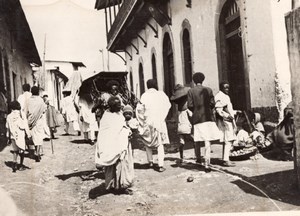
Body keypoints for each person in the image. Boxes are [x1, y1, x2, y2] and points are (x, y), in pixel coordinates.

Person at [95, 96, 134, 195]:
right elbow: (105, 133)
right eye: (117, 105)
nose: (120, 107)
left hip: (121, 145)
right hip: (111, 146)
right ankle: (111, 186)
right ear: (111, 106)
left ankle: (123, 186)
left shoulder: (120, 114)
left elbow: (123, 126)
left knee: (123, 165)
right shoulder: (107, 117)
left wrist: (127, 132)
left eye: (120, 104)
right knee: (111, 167)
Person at [187, 73, 221, 172]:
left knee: (197, 139)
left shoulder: (191, 91)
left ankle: (198, 159)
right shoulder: (209, 90)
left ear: (193, 81)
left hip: (197, 118)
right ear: (203, 80)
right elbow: (212, 103)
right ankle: (207, 163)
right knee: (207, 141)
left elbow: (190, 105)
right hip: (208, 117)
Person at [137, 79, 171, 172]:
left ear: (147, 86)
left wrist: (142, 121)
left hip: (148, 121)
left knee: (147, 142)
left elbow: (140, 110)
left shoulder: (144, 95)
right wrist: (163, 116)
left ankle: (150, 162)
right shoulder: (161, 94)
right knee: (160, 144)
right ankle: (160, 165)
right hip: (159, 121)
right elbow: (168, 105)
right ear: (156, 85)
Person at [214, 81, 237, 167]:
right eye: (225, 88)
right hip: (225, 121)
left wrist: (235, 112)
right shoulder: (219, 96)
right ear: (221, 88)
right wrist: (228, 116)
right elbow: (219, 110)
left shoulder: (225, 96)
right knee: (228, 140)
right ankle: (226, 160)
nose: (227, 89)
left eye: (228, 87)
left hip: (227, 120)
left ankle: (225, 158)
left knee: (226, 140)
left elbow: (228, 108)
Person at [6, 101, 31, 172]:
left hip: (13, 135)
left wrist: (8, 137)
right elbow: (26, 125)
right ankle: (21, 165)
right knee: (22, 150)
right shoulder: (21, 114)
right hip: (20, 134)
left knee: (15, 151)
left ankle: (14, 163)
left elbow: (7, 128)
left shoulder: (9, 116)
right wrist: (28, 134)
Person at [170, 84, 192, 162]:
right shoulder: (187, 110)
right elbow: (191, 116)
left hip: (180, 128)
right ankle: (197, 155)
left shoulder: (179, 110)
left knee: (181, 142)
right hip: (187, 127)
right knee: (193, 140)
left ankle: (181, 156)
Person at [26, 86, 47, 162]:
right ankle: (37, 153)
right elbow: (44, 110)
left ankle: (35, 150)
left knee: (34, 137)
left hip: (31, 121)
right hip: (39, 121)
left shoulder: (28, 100)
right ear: (38, 92)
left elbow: (26, 111)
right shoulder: (41, 100)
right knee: (39, 136)